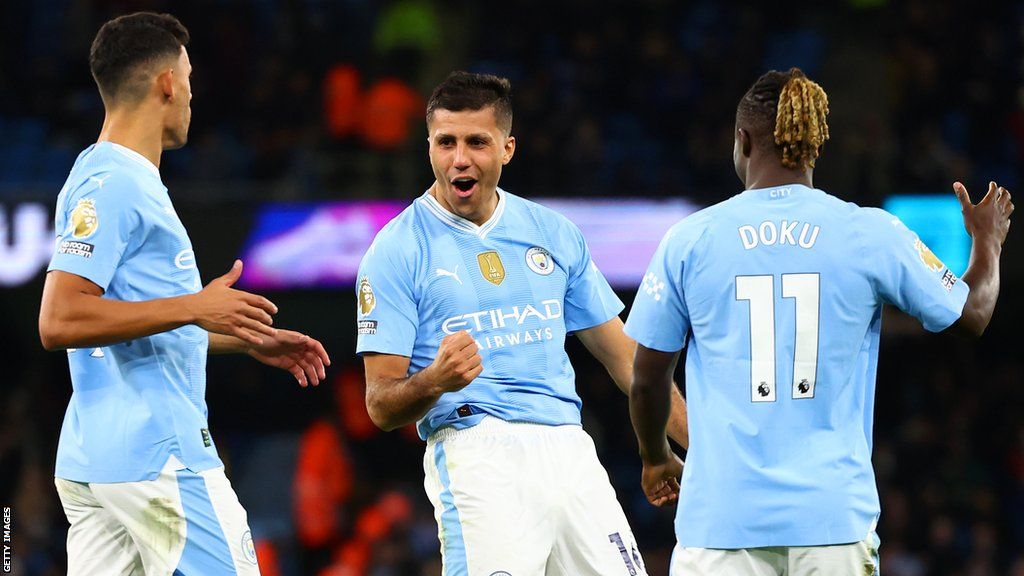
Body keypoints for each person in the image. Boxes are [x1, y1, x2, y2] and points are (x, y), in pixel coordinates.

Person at [625, 67, 1013, 575]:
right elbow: (973, 313)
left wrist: (655, 456)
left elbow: (647, 379)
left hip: (720, 526)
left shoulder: (689, 239)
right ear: (815, 145)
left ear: (742, 140)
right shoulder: (870, 231)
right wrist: (987, 240)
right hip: (833, 524)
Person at [356, 71, 688, 575]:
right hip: (476, 451)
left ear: (507, 149)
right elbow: (379, 405)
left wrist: (705, 449)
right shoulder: (396, 250)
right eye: (445, 142)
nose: (459, 159)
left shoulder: (553, 233)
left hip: (570, 450)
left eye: (477, 142)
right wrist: (435, 380)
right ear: (428, 147)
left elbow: (628, 361)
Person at [37, 13, 330, 575]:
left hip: (97, 459)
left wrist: (232, 340)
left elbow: (122, 328)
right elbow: (60, 319)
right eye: (190, 79)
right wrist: (196, 306)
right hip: (159, 454)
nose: (192, 94)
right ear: (167, 83)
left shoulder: (95, 174)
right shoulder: (116, 183)